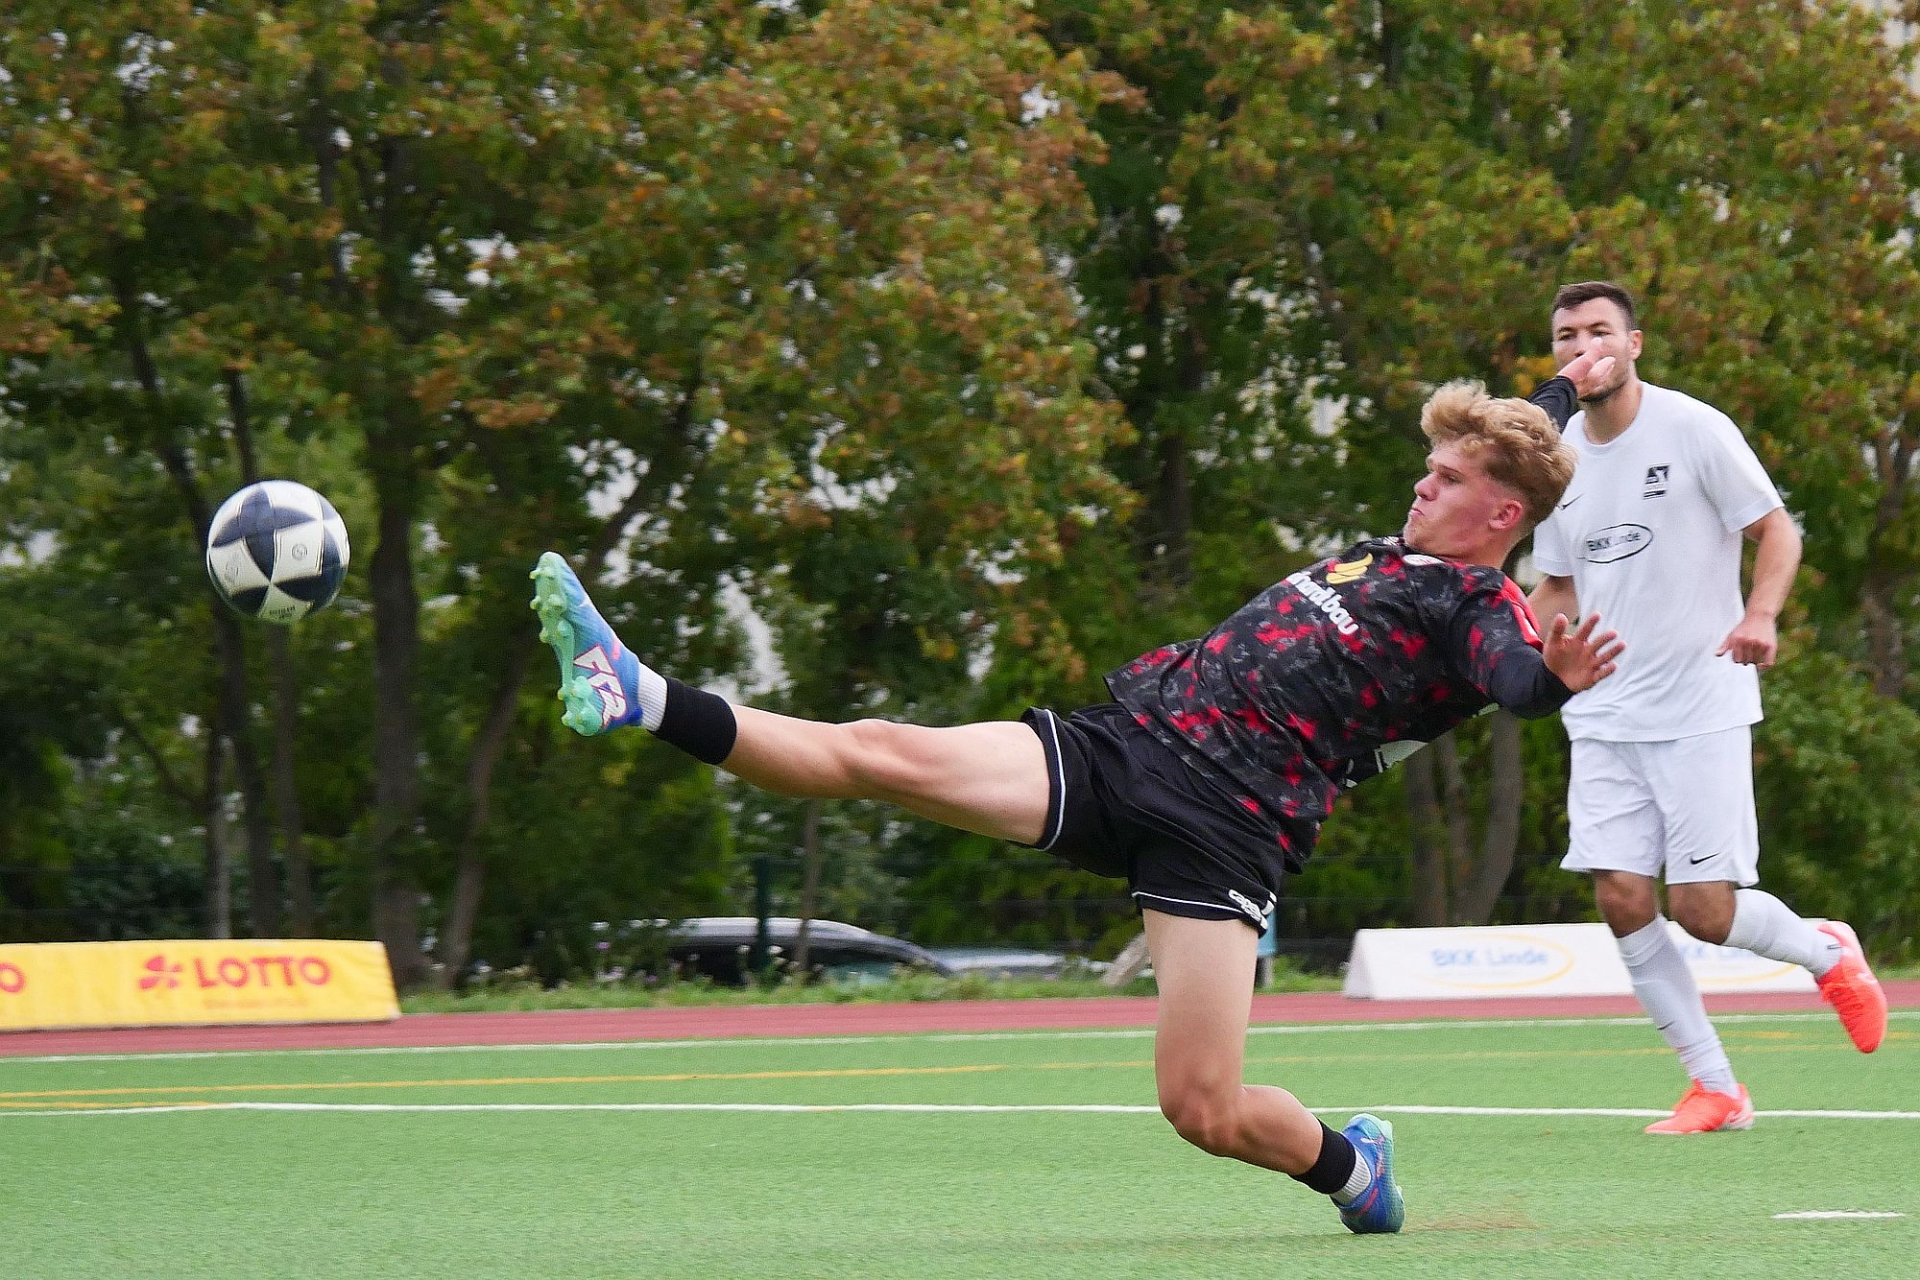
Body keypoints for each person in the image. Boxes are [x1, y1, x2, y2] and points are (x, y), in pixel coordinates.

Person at [530, 357, 1624, 1235]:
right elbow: (1528, 434)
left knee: (1202, 1107)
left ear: (1501, 514)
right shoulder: (1415, 542)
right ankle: (639, 691)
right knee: (880, 751)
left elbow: (1517, 680)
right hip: (1131, 741)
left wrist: (1556, 680)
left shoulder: (1478, 605)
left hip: (1225, 825)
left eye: (1447, 479)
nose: (1422, 484)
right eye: (1428, 467)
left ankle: (1351, 1166)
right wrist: (1570, 385)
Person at [1527, 281, 1888, 1137]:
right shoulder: (1558, 458)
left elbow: (1778, 530)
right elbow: (1556, 585)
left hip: (1699, 704)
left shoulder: (1693, 427)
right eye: (1567, 335)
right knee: (1621, 897)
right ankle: (1716, 1087)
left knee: (1703, 911)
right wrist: (1508, 657)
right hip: (1603, 712)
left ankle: (1826, 951)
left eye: (1600, 331)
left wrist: (1760, 615)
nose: (1583, 347)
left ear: (1634, 344)